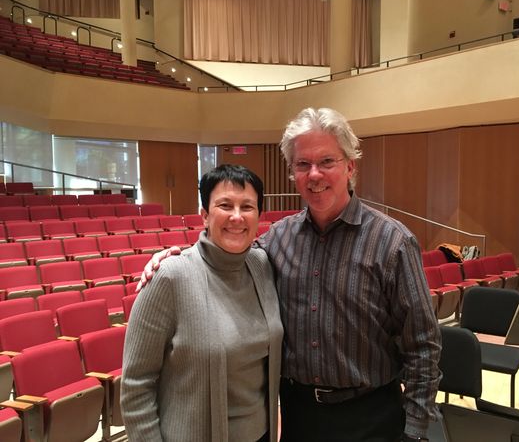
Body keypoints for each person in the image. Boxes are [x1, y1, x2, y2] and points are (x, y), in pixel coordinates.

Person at [140, 108, 441, 442]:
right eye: (302, 164)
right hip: (298, 416)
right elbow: (227, 248)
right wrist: (179, 256)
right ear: (292, 172)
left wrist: (415, 431)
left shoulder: (393, 241)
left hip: (371, 416)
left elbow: (424, 346)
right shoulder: (277, 239)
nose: (314, 174)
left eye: (327, 161)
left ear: (350, 167)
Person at [121, 164, 283, 442]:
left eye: (247, 207)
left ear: (259, 216)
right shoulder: (170, 277)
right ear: (205, 216)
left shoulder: (262, 265)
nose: (236, 216)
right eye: (225, 205)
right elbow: (137, 386)